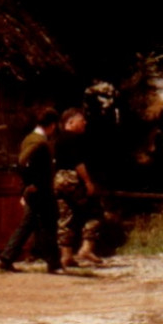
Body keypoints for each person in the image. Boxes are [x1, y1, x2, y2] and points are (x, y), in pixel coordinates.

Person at [0, 108, 62, 273]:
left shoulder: (30, 138)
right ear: (53, 125)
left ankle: (8, 258)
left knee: (34, 223)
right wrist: (29, 183)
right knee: (46, 223)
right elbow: (22, 162)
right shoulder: (39, 141)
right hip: (40, 189)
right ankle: (52, 263)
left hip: (37, 189)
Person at [53, 107, 106, 268]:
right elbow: (78, 163)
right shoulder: (74, 139)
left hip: (59, 180)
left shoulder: (58, 139)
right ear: (70, 122)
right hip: (72, 179)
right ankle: (87, 248)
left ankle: (66, 256)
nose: (85, 122)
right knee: (94, 211)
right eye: (81, 120)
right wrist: (88, 182)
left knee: (65, 216)